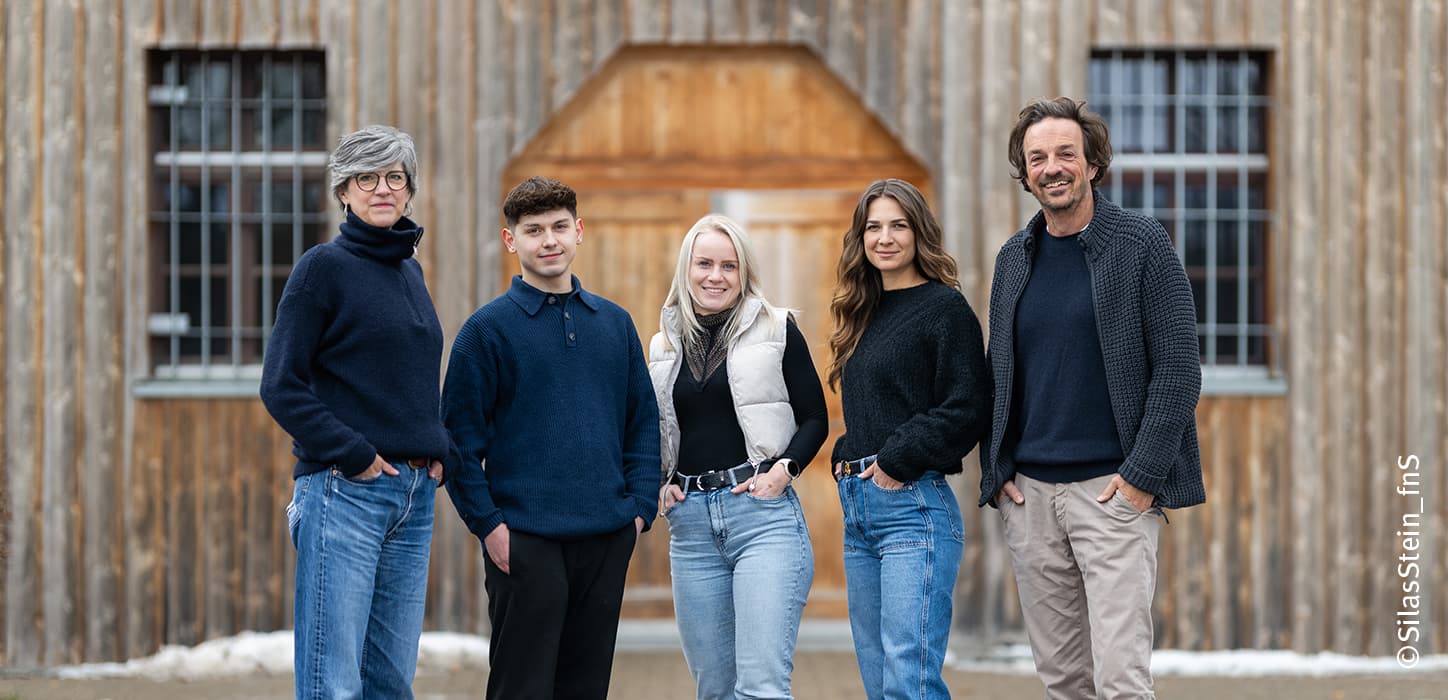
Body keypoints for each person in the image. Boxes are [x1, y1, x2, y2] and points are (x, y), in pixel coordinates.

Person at [980, 97, 1204, 700]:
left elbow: (1179, 369)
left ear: (1093, 164)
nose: (1052, 167)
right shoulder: (1012, 259)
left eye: (1065, 154)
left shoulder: (1141, 244)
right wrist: (998, 469)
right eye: (1037, 158)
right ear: (1025, 172)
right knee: (1062, 682)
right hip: (1031, 499)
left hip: (1112, 494)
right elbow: (1000, 374)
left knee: (1121, 681)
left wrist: (1142, 477)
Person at [441, 176, 660, 700]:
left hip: (606, 534)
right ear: (510, 240)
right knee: (523, 686)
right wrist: (489, 526)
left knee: (585, 688)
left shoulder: (615, 324)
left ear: (579, 231)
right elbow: (457, 445)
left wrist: (638, 509)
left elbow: (642, 423)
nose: (549, 240)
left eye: (560, 227)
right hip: (524, 538)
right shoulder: (486, 332)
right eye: (533, 230)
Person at [260, 125, 447, 699]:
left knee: (390, 683)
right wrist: (356, 453)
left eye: (395, 177)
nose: (382, 188)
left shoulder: (409, 273)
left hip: (411, 499)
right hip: (345, 492)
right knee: (331, 683)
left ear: (410, 190)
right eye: (367, 177)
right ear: (344, 191)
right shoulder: (323, 268)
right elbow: (280, 385)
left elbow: (408, 384)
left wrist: (439, 451)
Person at [650, 214, 830, 699]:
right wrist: (659, 480)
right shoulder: (662, 346)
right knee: (715, 690)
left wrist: (783, 471)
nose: (715, 276)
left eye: (728, 266)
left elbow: (815, 417)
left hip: (763, 520)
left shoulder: (777, 327)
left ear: (744, 272)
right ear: (686, 269)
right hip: (690, 530)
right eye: (704, 263)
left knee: (761, 688)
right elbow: (657, 429)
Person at [826, 178, 991, 699]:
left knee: (909, 679)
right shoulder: (864, 313)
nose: (885, 237)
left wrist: (898, 458)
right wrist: (845, 453)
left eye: (899, 225)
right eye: (873, 227)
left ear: (920, 232)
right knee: (879, 681)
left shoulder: (945, 309)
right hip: (860, 512)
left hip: (912, 507)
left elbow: (969, 405)